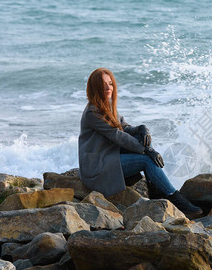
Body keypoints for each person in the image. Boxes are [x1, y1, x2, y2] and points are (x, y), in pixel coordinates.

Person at [78, 67, 202, 217]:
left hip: (109, 155)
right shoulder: (93, 112)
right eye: (103, 84)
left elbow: (124, 127)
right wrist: (147, 150)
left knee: (141, 140)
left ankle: (156, 192)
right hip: (98, 166)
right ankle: (175, 197)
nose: (108, 87)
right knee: (146, 159)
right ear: (94, 87)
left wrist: (141, 129)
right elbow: (117, 135)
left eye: (110, 83)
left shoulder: (108, 105)